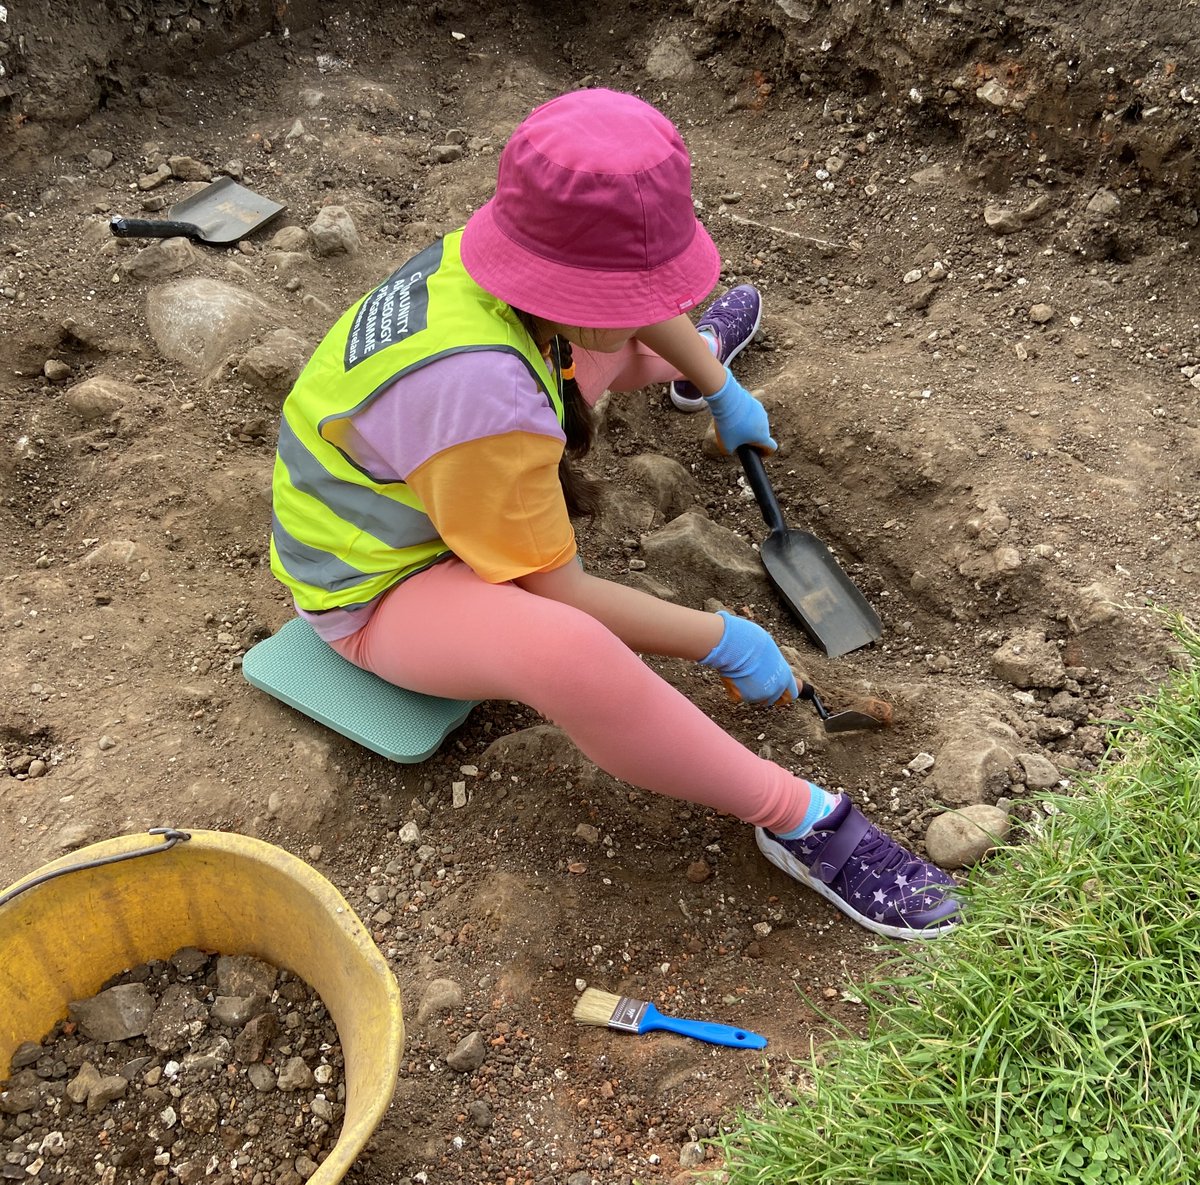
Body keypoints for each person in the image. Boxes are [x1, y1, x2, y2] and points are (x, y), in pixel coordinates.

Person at [269, 88, 959, 941]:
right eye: (634, 288)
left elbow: (620, 306)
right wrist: (723, 637)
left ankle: (687, 369)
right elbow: (559, 594)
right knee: (568, 651)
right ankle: (796, 818)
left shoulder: (498, 261)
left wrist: (720, 386)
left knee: (611, 349)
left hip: (457, 457)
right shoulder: (481, 397)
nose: (646, 301)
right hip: (375, 587)